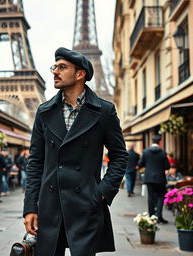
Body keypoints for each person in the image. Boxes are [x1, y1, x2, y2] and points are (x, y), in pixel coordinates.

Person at [23, 47, 128, 256]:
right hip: (50, 205)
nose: (55, 71)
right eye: (55, 67)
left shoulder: (104, 111)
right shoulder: (44, 111)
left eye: (62, 67)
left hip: (86, 204)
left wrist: (102, 192)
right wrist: (30, 207)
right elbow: (35, 162)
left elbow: (120, 156)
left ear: (80, 74)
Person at [138, 134, 170, 224]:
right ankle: (159, 216)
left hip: (149, 178)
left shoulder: (145, 152)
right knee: (161, 196)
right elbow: (167, 166)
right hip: (160, 178)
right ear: (160, 142)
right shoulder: (163, 153)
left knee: (151, 197)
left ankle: (151, 216)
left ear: (152, 141)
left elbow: (140, 164)